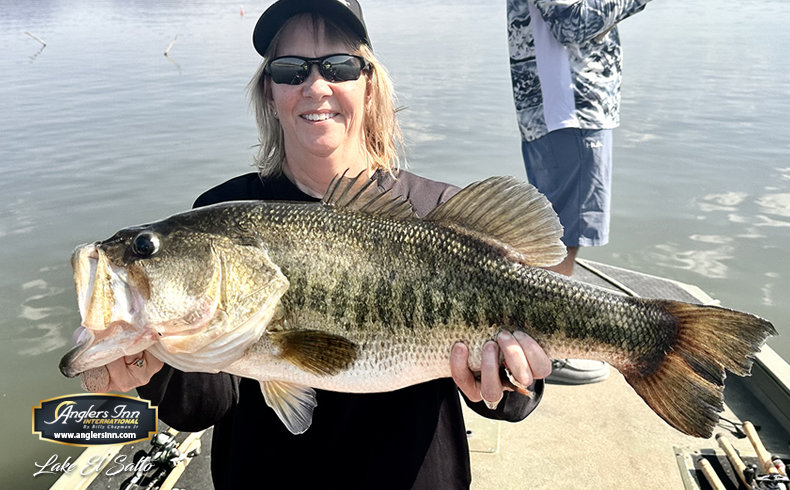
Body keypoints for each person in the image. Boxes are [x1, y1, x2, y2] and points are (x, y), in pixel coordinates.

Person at [80, 1, 551, 488]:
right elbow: (202, 407)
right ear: (270, 93)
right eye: (290, 70)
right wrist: (151, 362)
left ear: (369, 85)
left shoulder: (436, 212)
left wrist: (507, 386)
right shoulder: (219, 213)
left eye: (339, 66)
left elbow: (517, 400)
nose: (316, 86)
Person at [506, 0, 653, 384]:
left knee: (554, 233)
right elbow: (572, 22)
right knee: (562, 235)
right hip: (568, 106)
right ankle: (547, 353)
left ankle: (538, 346)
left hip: (560, 108)